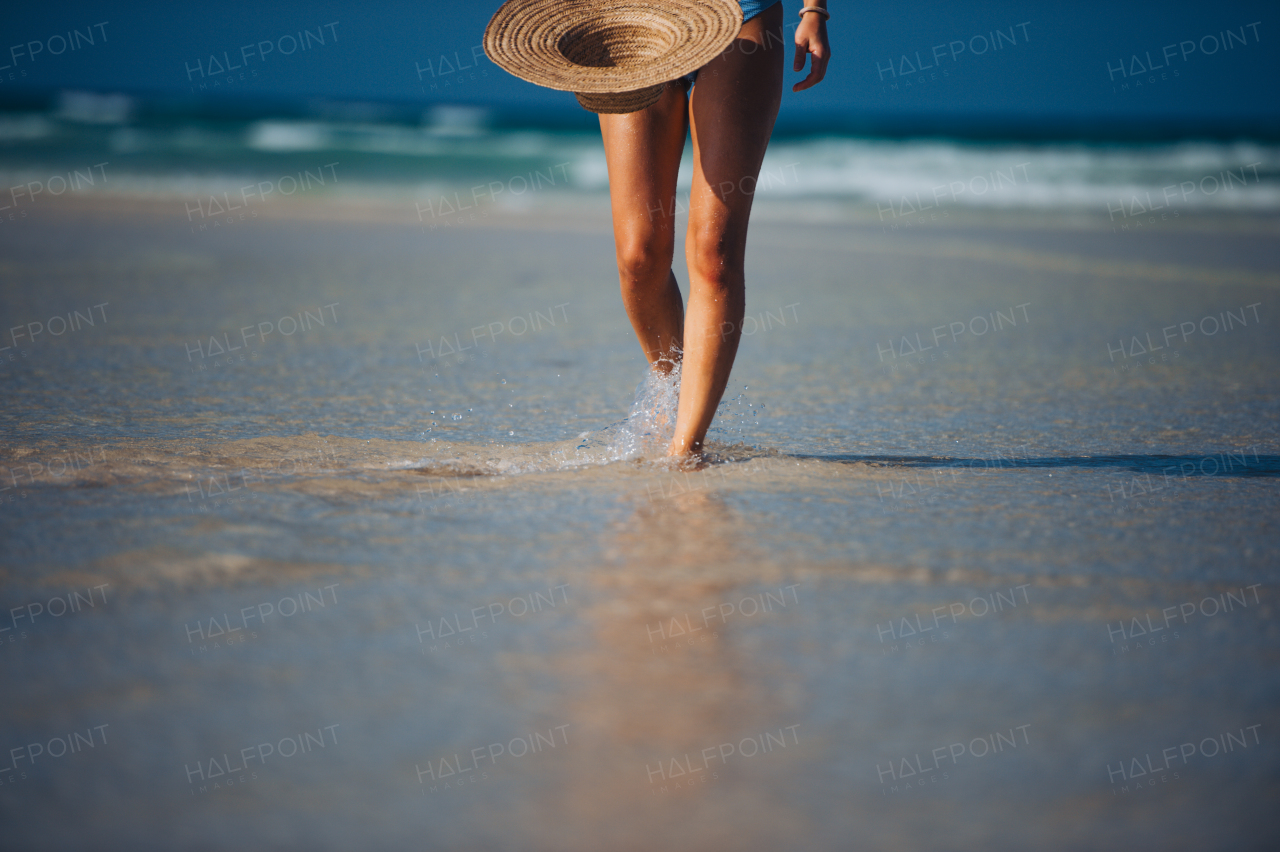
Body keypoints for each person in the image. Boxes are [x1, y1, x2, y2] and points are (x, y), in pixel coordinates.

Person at [597, 1, 830, 464]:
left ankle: (686, 448)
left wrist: (815, 11)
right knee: (639, 257)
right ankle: (672, 396)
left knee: (714, 252)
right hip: (632, 20)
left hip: (742, 16)